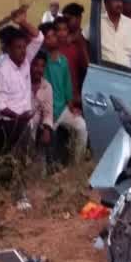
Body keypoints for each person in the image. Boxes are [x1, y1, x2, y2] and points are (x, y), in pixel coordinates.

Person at [0, 10, 43, 157]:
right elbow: (0, 106)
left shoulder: (26, 61)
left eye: (23, 47)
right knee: (6, 164)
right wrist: (18, 118)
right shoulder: (2, 70)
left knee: (23, 162)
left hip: (23, 122)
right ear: (8, 49)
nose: (23, 51)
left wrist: (22, 22)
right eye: (18, 47)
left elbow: (39, 38)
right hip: (6, 124)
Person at [40, 20, 88, 162]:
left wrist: (72, 107)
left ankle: (76, 165)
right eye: (48, 37)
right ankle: (41, 172)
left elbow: (68, 88)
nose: (53, 39)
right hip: (47, 113)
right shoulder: (42, 62)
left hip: (62, 109)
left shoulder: (63, 61)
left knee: (81, 126)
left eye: (53, 35)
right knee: (44, 144)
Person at [100, 0, 131, 69]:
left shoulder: (129, 23)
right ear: (106, 3)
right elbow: (83, 39)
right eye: (115, 0)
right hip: (105, 73)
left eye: (120, 0)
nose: (119, 3)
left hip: (125, 75)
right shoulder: (98, 21)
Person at [58, 3, 90, 94]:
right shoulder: (60, 39)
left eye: (68, 19)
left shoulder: (85, 39)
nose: (65, 22)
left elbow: (88, 68)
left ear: (79, 18)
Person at [29, 50, 56, 162]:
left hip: (36, 126)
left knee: (48, 134)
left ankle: (44, 170)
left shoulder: (47, 86)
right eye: (35, 65)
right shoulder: (22, 82)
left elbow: (48, 113)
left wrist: (47, 128)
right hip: (21, 125)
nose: (39, 69)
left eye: (42, 66)